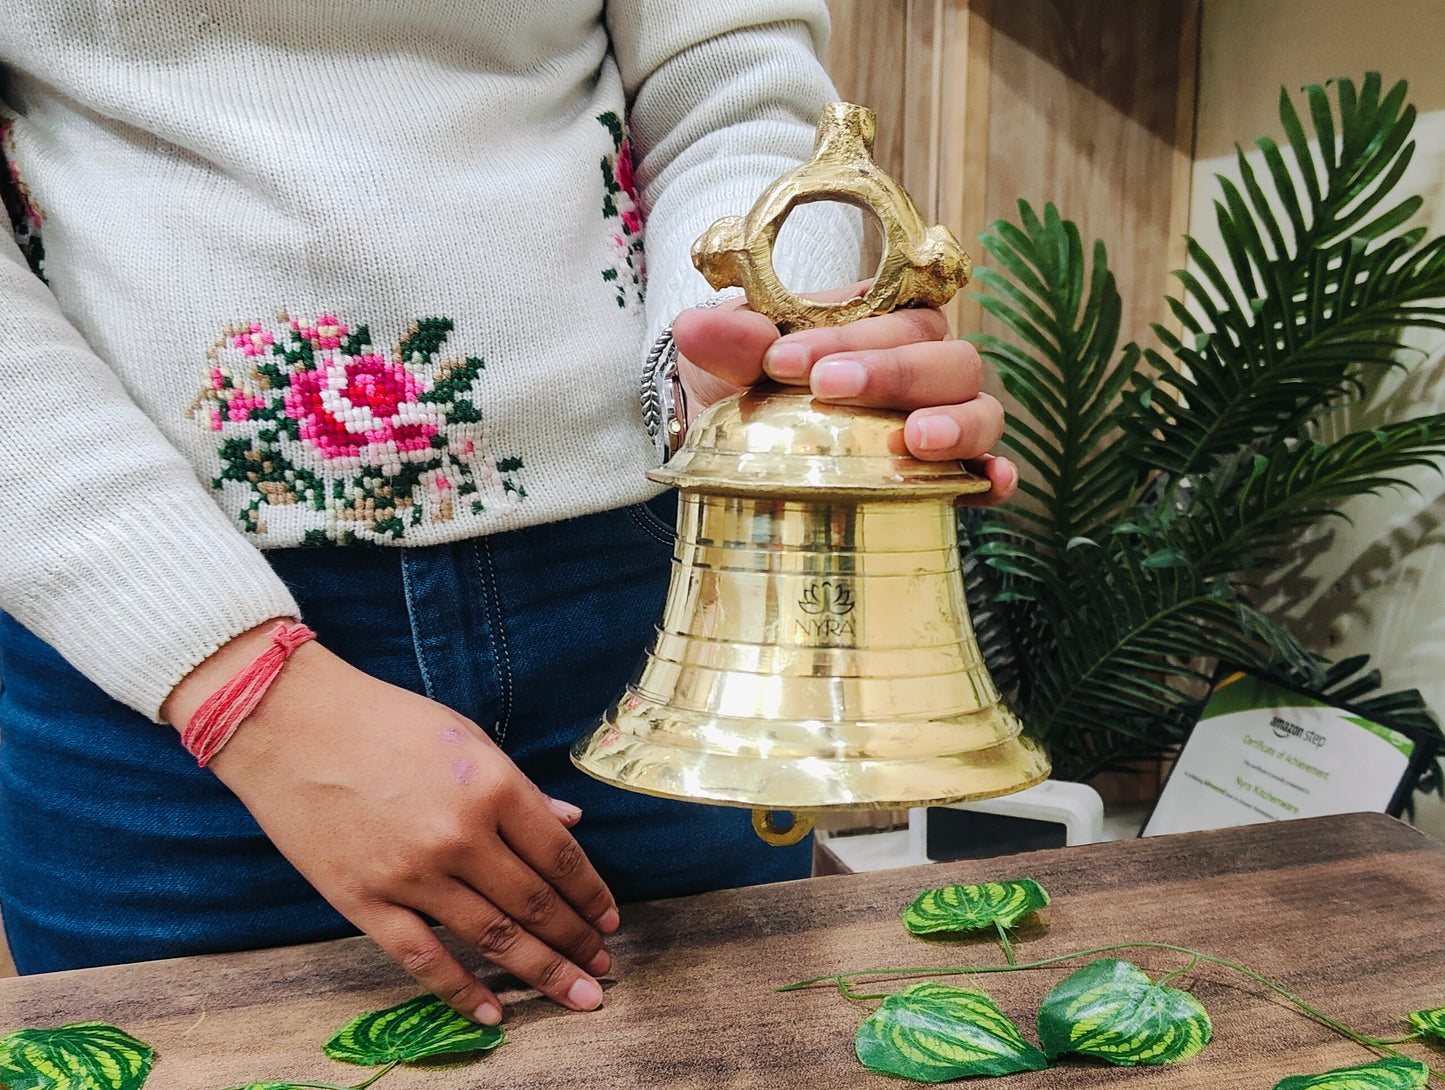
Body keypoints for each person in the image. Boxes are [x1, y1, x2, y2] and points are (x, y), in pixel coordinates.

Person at [0, 0, 1015, 1026]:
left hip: (648, 605)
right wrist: (240, 690)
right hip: (145, 646)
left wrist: (752, 383)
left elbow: (730, 83)